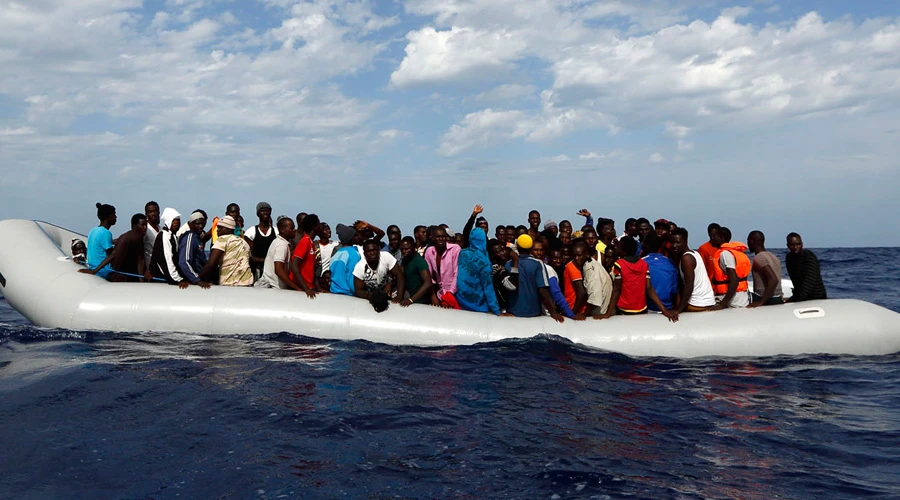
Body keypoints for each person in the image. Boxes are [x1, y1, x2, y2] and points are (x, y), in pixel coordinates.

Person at [600, 237, 678, 321]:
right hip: (641, 309)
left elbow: (616, 290)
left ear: (623, 250)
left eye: (618, 246)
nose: (616, 247)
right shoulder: (644, 264)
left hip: (624, 309)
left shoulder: (619, 265)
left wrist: (608, 313)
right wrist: (664, 310)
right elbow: (649, 288)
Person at [506, 235, 563, 322]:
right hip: (533, 313)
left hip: (513, 312)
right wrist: (553, 312)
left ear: (517, 246)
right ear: (531, 248)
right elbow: (542, 290)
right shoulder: (538, 264)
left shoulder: (509, 264)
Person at [669, 228, 716, 312]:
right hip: (707, 301)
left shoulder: (687, 258)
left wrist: (678, 310)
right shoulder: (695, 253)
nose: (674, 245)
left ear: (685, 241)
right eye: (672, 242)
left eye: (678, 242)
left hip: (698, 303)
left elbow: (689, 286)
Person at [455, 228, 501, 315]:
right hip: (477, 305)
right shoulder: (483, 260)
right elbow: (488, 286)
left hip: (461, 301)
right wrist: (497, 310)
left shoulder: (462, 253)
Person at [201, 215, 253, 286]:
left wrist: (197, 280)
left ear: (229, 229)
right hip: (247, 283)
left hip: (230, 284)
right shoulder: (243, 242)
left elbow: (211, 264)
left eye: (220, 227)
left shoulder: (222, 239)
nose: (217, 229)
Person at [353, 240, 406, 310]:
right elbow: (358, 291)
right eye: (369, 251)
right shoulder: (359, 267)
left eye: (374, 250)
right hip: (371, 294)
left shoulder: (386, 257)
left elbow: (400, 275)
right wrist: (371, 296)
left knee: (405, 296)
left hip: (390, 289)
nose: (372, 253)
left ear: (379, 250)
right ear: (364, 254)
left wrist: (399, 296)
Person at [256, 216, 304, 291]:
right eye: (291, 228)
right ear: (282, 230)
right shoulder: (281, 245)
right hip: (273, 288)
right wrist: (296, 288)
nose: (294, 230)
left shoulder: (279, 242)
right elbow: (278, 270)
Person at [532, 239, 576, 319]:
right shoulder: (546, 270)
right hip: (546, 314)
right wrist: (571, 315)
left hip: (545, 314)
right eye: (536, 250)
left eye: (541, 250)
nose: (539, 253)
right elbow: (556, 294)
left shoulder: (546, 269)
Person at [710, 227, 751, 309]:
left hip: (734, 300)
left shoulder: (725, 254)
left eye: (714, 236)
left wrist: (722, 304)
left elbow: (734, 281)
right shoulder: (736, 252)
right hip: (742, 296)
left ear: (722, 238)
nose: (711, 239)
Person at [150, 208, 190, 288]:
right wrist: (178, 279)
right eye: (174, 220)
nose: (177, 222)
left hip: (167, 278)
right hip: (160, 280)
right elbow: (168, 260)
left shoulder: (173, 236)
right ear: (168, 221)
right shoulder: (164, 236)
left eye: (178, 220)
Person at [425, 226, 461, 308]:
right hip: (439, 293)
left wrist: (449, 295)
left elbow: (457, 273)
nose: (441, 239)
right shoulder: (430, 251)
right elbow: (428, 275)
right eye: (438, 237)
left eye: (443, 236)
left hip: (455, 292)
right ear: (433, 238)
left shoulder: (455, 249)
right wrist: (433, 296)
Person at [785, 232, 827, 302]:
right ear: (788, 245)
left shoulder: (808, 256)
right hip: (801, 297)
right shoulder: (789, 258)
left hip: (817, 297)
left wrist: (795, 299)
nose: (795, 247)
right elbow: (795, 281)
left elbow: (809, 282)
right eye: (792, 245)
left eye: (798, 244)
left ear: (802, 244)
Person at [642, 233, 679, 312]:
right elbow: (674, 290)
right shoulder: (670, 263)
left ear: (645, 245)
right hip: (668, 308)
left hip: (648, 308)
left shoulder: (641, 263)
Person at [747, 230, 784, 307]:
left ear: (751, 241)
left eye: (748, 241)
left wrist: (761, 302)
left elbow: (773, 280)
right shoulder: (773, 257)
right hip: (778, 298)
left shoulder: (759, 258)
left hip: (767, 299)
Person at [81, 203, 117, 279]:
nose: (116, 217)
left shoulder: (93, 230)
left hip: (92, 267)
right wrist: (95, 271)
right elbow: (112, 255)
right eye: (114, 215)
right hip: (102, 272)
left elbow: (101, 242)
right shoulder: (106, 233)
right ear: (109, 217)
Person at [109, 213, 148, 282]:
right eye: (142, 225)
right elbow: (140, 260)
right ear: (134, 225)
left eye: (146, 225)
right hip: (124, 278)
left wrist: (95, 270)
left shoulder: (125, 235)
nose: (145, 228)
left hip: (114, 276)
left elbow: (113, 254)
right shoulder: (137, 237)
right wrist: (141, 280)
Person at [177, 210, 211, 288]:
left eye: (202, 223)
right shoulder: (189, 237)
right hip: (194, 280)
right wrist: (197, 280)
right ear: (191, 224)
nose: (200, 226)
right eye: (197, 224)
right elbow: (184, 261)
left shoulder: (197, 237)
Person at [289, 213, 320, 298]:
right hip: (301, 289)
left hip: (309, 287)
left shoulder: (311, 242)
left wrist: (318, 288)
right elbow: (294, 266)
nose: (320, 226)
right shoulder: (305, 241)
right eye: (318, 224)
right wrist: (306, 288)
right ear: (314, 227)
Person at [330, 223, 363, 296]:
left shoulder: (336, 254)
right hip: (348, 294)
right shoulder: (353, 254)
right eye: (355, 235)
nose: (358, 237)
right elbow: (353, 278)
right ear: (350, 238)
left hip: (334, 293)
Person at [245, 202, 275, 281]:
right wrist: (264, 260)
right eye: (262, 211)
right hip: (255, 270)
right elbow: (248, 254)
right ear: (258, 214)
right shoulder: (251, 232)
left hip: (272, 270)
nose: (265, 213)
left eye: (267, 210)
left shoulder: (276, 231)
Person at [399, 236, 432, 305]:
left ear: (414, 247)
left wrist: (411, 299)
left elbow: (428, 282)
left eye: (407, 249)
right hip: (408, 297)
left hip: (420, 301)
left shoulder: (419, 261)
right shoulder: (404, 260)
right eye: (402, 249)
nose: (404, 251)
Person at [563, 242, 590, 316]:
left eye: (579, 255)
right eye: (574, 255)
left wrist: (573, 312)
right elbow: (582, 292)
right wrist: (572, 312)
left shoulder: (575, 267)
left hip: (576, 309)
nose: (576, 258)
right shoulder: (573, 267)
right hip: (574, 308)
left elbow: (581, 292)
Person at [143, 201, 160, 266]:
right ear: (146, 214)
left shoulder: (160, 229)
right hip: (149, 266)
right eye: (150, 212)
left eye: (155, 211)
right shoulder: (145, 229)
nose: (153, 214)